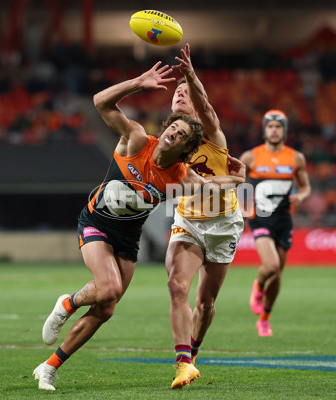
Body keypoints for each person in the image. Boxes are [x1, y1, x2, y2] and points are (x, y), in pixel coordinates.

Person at [32, 61, 246, 391]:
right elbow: (100, 102)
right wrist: (138, 81)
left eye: (179, 135)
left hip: (128, 237)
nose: (171, 134)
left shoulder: (178, 174)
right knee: (109, 289)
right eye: (171, 129)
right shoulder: (135, 140)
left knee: (107, 309)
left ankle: (49, 366)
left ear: (185, 150)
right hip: (96, 223)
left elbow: (208, 186)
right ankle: (68, 303)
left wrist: (237, 178)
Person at [165, 44, 245, 389]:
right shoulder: (169, 142)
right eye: (177, 92)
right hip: (188, 222)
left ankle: (194, 353)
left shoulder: (212, 134)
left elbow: (206, 106)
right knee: (176, 285)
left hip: (223, 224)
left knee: (206, 302)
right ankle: (183, 362)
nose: (181, 94)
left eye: (187, 92)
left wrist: (190, 75)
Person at [239, 109, 311, 337]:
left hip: (283, 220)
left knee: (278, 275)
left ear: (285, 131)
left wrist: (301, 195)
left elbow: (306, 186)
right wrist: (242, 208)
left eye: (278, 126)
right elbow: (238, 183)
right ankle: (258, 287)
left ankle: (264, 320)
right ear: (264, 130)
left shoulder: (296, 158)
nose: (274, 130)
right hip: (260, 217)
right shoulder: (250, 156)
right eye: (270, 126)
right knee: (270, 267)